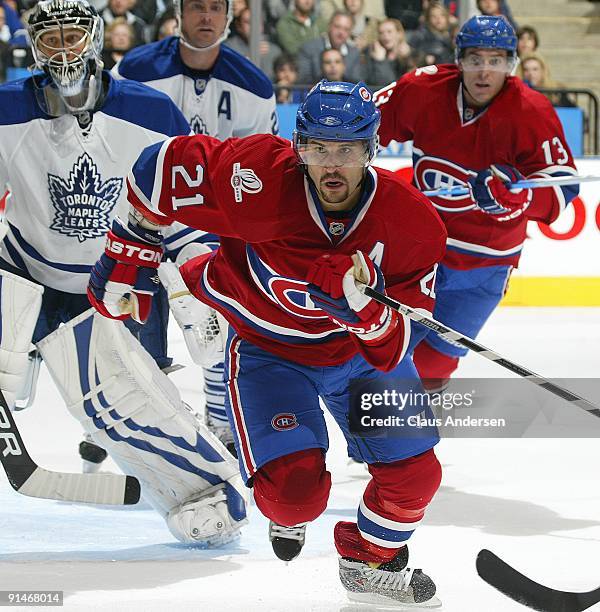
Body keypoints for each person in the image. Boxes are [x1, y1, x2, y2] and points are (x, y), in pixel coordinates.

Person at [88, 80, 447, 607]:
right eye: (317, 148)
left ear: (372, 149)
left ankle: (370, 564)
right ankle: (192, 257)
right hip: (268, 351)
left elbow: (399, 346)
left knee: (415, 476)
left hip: (356, 359)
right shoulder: (254, 175)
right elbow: (156, 167)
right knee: (292, 499)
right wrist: (131, 247)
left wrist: (366, 312)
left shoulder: (413, 224)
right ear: (298, 145)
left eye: (346, 150)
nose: (331, 164)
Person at [0, 0, 247, 546]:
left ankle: (201, 495)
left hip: (114, 284)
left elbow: (186, 207)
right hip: (25, 276)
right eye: (50, 38)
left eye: (72, 36)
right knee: (4, 373)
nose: (62, 50)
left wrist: (195, 288)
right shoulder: (5, 108)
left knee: (126, 403)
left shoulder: (150, 111)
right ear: (33, 45)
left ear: (95, 38)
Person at [374, 15, 579, 392]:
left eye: (496, 60)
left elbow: (563, 188)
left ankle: (404, 434)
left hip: (487, 261)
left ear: (511, 63)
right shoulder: (422, 88)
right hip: (424, 250)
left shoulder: (531, 111)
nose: (485, 71)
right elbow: (366, 124)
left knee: (435, 360)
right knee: (386, 346)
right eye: (475, 59)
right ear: (459, 59)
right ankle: (379, 435)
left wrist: (518, 197)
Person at [112, 0, 278, 456]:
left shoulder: (254, 85)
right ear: (179, 13)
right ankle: (135, 423)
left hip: (211, 226)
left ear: (228, 16)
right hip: (142, 214)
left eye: (215, 9)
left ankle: (221, 419)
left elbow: (262, 170)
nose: (206, 17)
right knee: (135, 328)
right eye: (197, 8)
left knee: (217, 325)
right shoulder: (136, 68)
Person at [297, 10, 363, 84]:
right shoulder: (309, 49)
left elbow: (356, 82)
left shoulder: (354, 52)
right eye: (337, 27)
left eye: (346, 29)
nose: (341, 32)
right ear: (329, 26)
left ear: (350, 32)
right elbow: (303, 82)